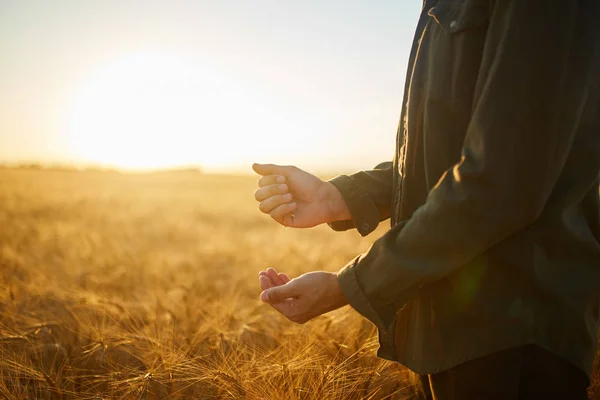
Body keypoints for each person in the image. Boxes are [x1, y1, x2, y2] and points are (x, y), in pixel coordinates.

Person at [252, 1, 600, 398]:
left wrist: (349, 285)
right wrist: (338, 197)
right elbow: (453, 155)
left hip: (514, 338)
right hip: (451, 331)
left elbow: (502, 181)